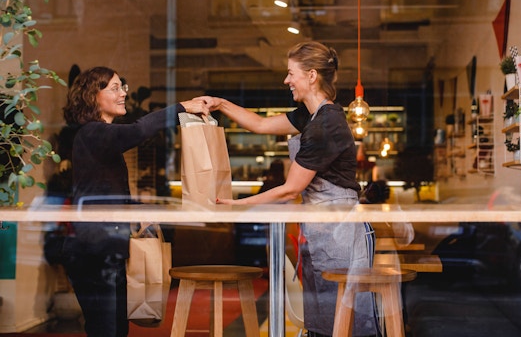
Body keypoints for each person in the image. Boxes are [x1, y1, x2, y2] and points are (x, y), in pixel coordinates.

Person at [201, 41, 379, 337]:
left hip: (340, 233)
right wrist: (220, 104)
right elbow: (259, 125)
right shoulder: (309, 117)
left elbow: (290, 189)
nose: (286, 80)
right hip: (322, 229)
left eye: (290, 73)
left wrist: (239, 204)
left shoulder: (326, 123)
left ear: (311, 75)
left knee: (347, 324)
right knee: (323, 322)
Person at [61, 66, 210, 337]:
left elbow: (106, 194)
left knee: (116, 329)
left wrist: (141, 209)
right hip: (93, 250)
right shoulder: (92, 133)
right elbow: (138, 131)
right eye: (115, 88)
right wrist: (182, 107)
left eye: (123, 87)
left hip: (107, 247)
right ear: (93, 96)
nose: (123, 94)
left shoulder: (100, 138)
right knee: (106, 330)